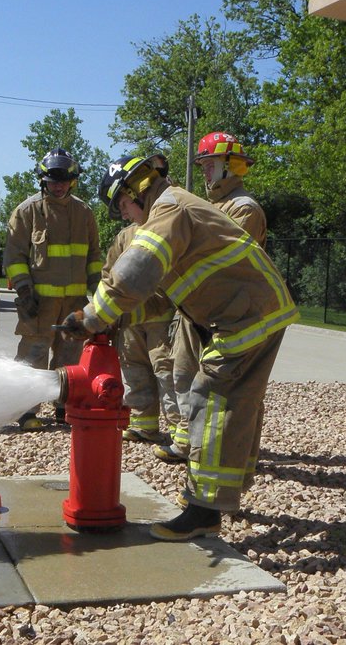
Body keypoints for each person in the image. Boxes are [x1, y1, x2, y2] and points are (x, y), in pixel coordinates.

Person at [62, 154, 298, 542]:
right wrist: (114, 319)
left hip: (245, 316)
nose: (124, 216)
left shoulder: (170, 207)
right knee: (237, 402)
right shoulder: (176, 209)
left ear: (136, 188)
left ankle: (204, 512)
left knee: (213, 396)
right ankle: (223, 494)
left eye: (121, 205)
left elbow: (135, 271)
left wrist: (93, 315)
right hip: (248, 311)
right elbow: (160, 297)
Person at [155, 131, 270, 464]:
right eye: (202, 166)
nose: (205, 172)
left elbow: (224, 263)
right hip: (200, 311)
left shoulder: (245, 208)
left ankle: (240, 455)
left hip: (231, 315)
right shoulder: (216, 205)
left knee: (236, 390)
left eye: (209, 165)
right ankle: (190, 444)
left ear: (230, 166)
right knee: (185, 374)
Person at [3, 148, 102, 429]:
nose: (57, 186)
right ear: (42, 181)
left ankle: (64, 408)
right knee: (33, 356)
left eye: (63, 180)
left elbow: (94, 258)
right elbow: (14, 257)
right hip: (38, 304)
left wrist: (96, 296)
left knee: (69, 359)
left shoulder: (84, 213)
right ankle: (27, 411)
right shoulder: (27, 212)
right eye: (52, 181)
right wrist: (24, 291)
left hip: (73, 304)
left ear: (73, 181)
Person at [105, 222, 179, 445]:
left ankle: (179, 430)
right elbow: (109, 272)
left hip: (161, 314)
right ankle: (143, 425)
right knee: (133, 367)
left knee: (166, 370)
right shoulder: (125, 235)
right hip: (130, 316)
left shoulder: (167, 227)